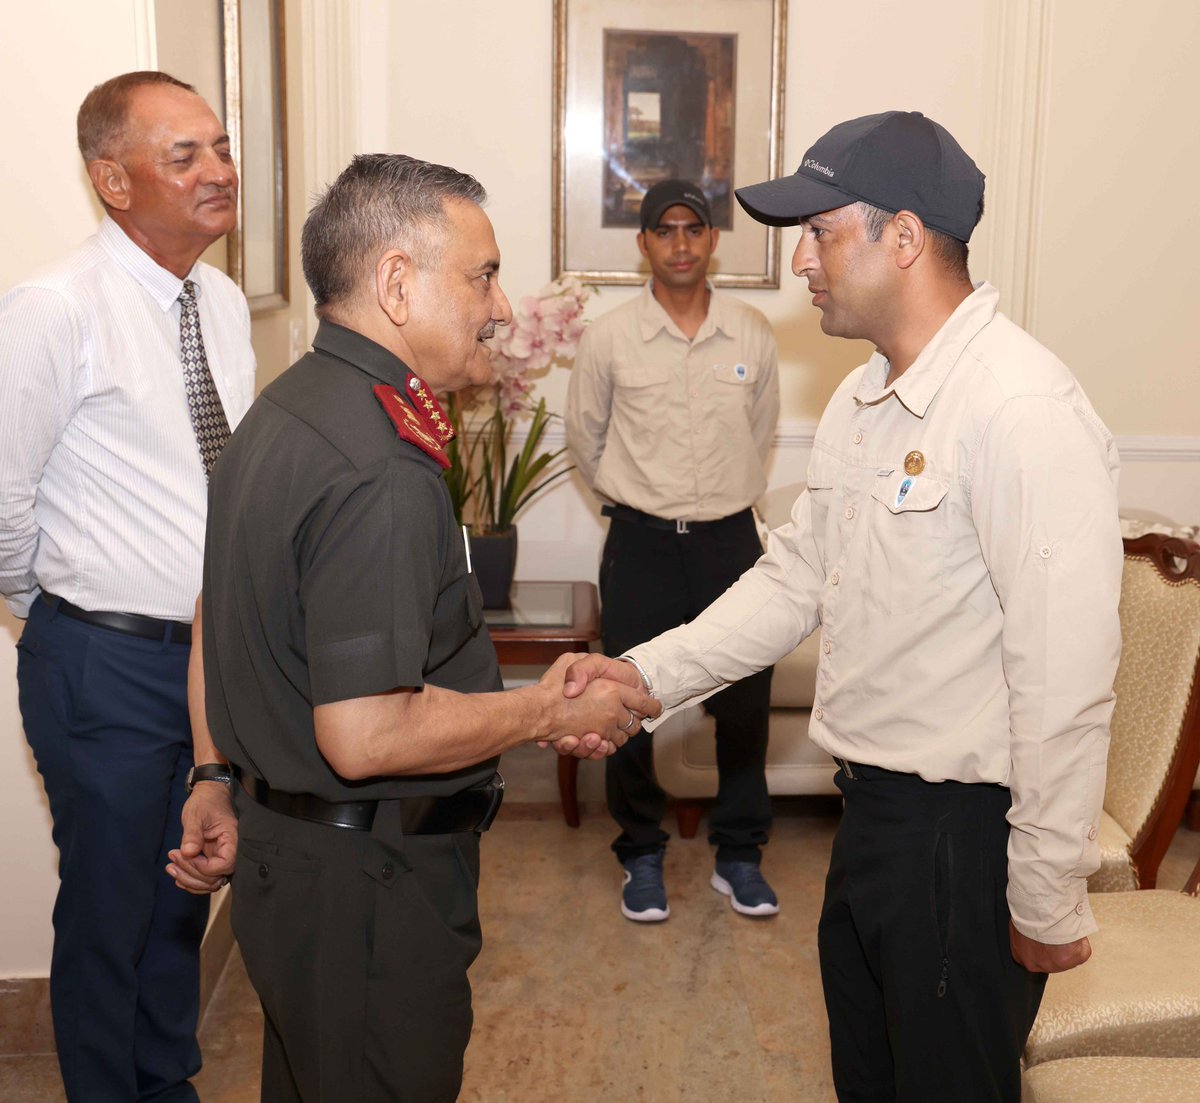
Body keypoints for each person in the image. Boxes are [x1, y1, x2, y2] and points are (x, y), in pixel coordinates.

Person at [564, 111, 1122, 1102]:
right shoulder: (868, 398)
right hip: (870, 820)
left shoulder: (1018, 408)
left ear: (902, 237)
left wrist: (1045, 889)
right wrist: (646, 676)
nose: (801, 262)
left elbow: (1067, 679)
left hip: (960, 842)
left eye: (820, 232)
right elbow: (791, 580)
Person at [184, 153, 657, 1102]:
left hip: (292, 864)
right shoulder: (376, 462)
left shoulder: (286, 409)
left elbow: (213, 614)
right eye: (482, 274)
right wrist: (539, 713)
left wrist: (212, 776)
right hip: (367, 888)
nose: (502, 306)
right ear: (398, 283)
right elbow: (363, 735)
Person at [0, 71, 255, 1101]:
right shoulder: (51, 310)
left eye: (221, 147)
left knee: (181, 891)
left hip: (204, 657)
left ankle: (167, 1081)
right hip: (101, 660)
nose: (219, 171)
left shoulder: (225, 301)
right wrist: (68, 606)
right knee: (109, 911)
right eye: (184, 155)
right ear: (112, 179)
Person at [565, 179, 781, 922]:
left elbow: (762, 434)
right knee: (624, 700)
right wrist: (642, 503)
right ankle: (641, 853)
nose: (682, 242)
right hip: (642, 543)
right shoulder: (610, 337)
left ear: (713, 239)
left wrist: (715, 504)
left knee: (746, 704)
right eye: (666, 229)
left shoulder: (752, 332)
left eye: (695, 228)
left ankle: (740, 853)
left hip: (732, 544)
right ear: (645, 243)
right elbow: (584, 442)